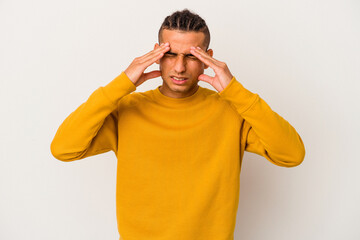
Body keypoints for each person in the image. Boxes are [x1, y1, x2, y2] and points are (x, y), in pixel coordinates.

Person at [50, 8, 305, 240]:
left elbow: (291, 154)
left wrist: (235, 91)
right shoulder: (128, 110)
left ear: (208, 57)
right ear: (156, 53)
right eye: (170, 54)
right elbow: (63, 148)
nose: (180, 67)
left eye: (191, 57)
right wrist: (122, 83)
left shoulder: (231, 111)